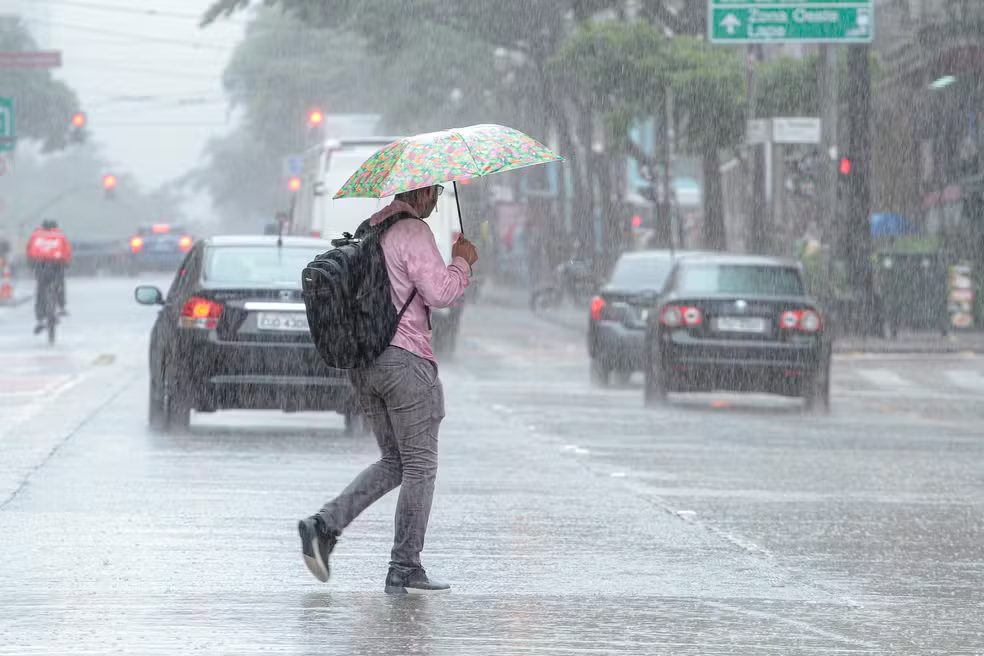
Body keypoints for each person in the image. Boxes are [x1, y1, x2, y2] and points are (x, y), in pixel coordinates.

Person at [297, 184, 479, 594]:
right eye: (433, 192)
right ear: (425, 190)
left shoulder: (372, 226)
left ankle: (324, 525)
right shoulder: (413, 231)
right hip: (405, 361)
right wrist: (463, 263)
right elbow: (441, 292)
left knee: (395, 461)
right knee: (420, 466)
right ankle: (404, 566)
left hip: (366, 363)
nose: (435, 200)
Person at [25, 219, 72, 334]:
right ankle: (61, 307)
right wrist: (66, 263)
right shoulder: (60, 235)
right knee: (59, 284)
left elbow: (29, 250)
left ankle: (40, 318)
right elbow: (67, 251)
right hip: (56, 265)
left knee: (41, 290)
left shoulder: (36, 235)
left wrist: (30, 263)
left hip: (40, 264)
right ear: (55, 227)